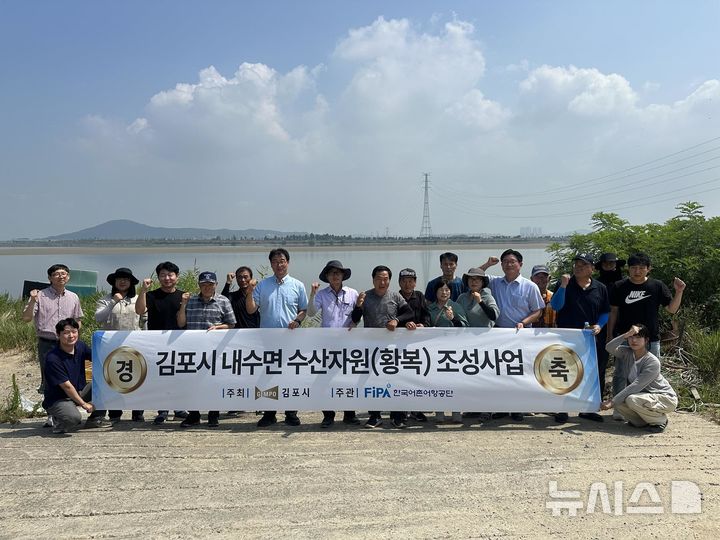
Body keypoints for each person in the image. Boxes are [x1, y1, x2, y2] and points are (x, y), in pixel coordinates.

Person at [607, 252, 686, 417]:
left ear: (648, 269)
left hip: (651, 339)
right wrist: (610, 334)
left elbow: (671, 309)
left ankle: (645, 407)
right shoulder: (619, 286)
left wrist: (679, 292)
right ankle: (619, 408)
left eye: (641, 268)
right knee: (621, 373)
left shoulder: (657, 286)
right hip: (626, 338)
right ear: (628, 269)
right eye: (634, 267)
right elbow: (613, 312)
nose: (637, 271)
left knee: (649, 375)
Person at [246, 248, 308, 428]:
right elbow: (251, 309)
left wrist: (297, 320)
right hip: (268, 339)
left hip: (290, 338)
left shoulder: (297, 285)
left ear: (288, 262)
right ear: (271, 264)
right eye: (275, 261)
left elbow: (303, 310)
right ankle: (269, 413)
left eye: (282, 261)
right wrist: (250, 291)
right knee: (268, 375)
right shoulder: (263, 285)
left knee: (290, 374)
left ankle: (291, 412)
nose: (279, 264)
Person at [482, 249, 544, 421]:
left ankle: (518, 408)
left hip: (521, 334)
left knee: (520, 372)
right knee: (501, 372)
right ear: (501, 265)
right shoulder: (495, 282)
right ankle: (502, 407)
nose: (509, 264)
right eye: (505, 262)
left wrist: (524, 322)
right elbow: (476, 275)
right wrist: (488, 264)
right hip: (499, 334)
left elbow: (538, 311)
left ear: (520, 264)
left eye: (512, 261)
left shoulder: (529, 286)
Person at [351, 265, 415, 428]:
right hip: (371, 346)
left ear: (389, 280)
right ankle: (375, 416)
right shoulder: (366, 296)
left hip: (392, 347)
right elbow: (356, 319)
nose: (382, 282)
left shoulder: (395, 296)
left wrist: (397, 320)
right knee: (372, 381)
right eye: (379, 278)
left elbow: (409, 313)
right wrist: (358, 306)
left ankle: (397, 416)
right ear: (373, 279)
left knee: (395, 379)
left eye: (385, 279)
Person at [550, 254, 610, 423]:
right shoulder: (564, 285)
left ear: (592, 268)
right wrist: (562, 286)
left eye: (583, 265)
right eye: (576, 264)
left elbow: (605, 311)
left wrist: (599, 325)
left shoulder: (600, 288)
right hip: (567, 337)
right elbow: (555, 306)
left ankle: (588, 409)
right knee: (564, 373)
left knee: (593, 373)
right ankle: (561, 409)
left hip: (591, 338)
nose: (578, 267)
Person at [177, 271, 236, 428]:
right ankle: (194, 415)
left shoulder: (223, 301)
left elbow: (231, 324)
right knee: (192, 383)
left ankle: (213, 415)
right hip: (192, 350)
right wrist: (183, 304)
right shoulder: (190, 300)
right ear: (199, 285)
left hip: (215, 351)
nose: (207, 287)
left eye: (210, 284)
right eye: (204, 284)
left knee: (214, 382)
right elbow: (181, 323)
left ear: (216, 285)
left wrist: (218, 327)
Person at [135, 261, 189, 425]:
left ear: (177, 277)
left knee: (179, 376)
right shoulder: (152, 295)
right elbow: (139, 310)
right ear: (158, 277)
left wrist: (185, 303)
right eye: (163, 275)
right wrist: (143, 290)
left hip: (179, 342)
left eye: (170, 275)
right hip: (157, 343)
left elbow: (183, 322)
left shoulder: (184, 296)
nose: (167, 278)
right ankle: (162, 410)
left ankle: (179, 408)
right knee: (161, 376)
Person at [308, 260, 360, 428]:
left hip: (348, 344)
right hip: (327, 345)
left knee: (348, 379)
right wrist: (312, 294)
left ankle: (349, 414)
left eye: (338, 272)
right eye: (332, 273)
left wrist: (355, 323)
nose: (335, 275)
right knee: (325, 379)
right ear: (327, 277)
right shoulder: (321, 294)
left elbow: (358, 315)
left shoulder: (353, 293)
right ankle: (328, 415)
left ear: (343, 275)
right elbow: (310, 313)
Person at [600, 324, 678, 432]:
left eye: (638, 337)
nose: (634, 340)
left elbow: (636, 385)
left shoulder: (652, 362)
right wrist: (626, 335)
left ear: (646, 340)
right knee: (619, 403)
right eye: (631, 337)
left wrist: (612, 402)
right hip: (644, 397)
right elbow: (609, 347)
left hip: (665, 398)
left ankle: (660, 421)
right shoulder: (627, 352)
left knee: (629, 399)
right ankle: (641, 422)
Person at [22, 264, 83, 396]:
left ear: (68, 277)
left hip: (68, 343)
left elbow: (78, 320)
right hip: (47, 343)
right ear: (50, 278)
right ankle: (51, 412)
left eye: (64, 273)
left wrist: (75, 337)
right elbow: (26, 318)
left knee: (68, 375)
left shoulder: (73, 297)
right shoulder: (40, 296)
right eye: (56, 274)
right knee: (49, 378)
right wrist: (32, 301)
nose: (61, 276)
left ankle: (66, 407)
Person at [94, 267, 145, 423]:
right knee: (113, 378)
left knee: (138, 377)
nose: (122, 282)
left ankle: (138, 412)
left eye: (126, 279)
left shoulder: (138, 298)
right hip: (111, 346)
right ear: (114, 282)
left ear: (131, 282)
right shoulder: (105, 299)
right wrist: (113, 302)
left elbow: (144, 320)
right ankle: (115, 413)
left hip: (135, 345)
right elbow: (98, 318)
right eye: (119, 279)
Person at [42, 318, 104, 434]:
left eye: (74, 332)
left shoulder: (80, 346)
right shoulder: (53, 358)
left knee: (104, 384)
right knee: (74, 419)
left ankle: (95, 419)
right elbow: (67, 387)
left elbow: (97, 358)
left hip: (78, 391)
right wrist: (84, 404)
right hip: (58, 399)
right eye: (66, 333)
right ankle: (59, 420)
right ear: (58, 335)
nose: (71, 336)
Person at [428, 281, 468, 425]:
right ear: (435, 292)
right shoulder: (430, 308)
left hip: (454, 350)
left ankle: (457, 412)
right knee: (438, 382)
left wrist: (453, 319)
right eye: (441, 289)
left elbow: (465, 327)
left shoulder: (456, 307)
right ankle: (439, 412)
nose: (444, 292)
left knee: (454, 381)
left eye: (447, 290)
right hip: (436, 350)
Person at [397, 268, 431, 423]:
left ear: (415, 282)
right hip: (399, 344)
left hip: (418, 344)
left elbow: (427, 315)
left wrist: (424, 325)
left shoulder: (420, 296)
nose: (407, 284)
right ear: (399, 282)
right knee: (401, 377)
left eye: (411, 281)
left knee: (417, 377)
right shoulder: (394, 297)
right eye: (404, 281)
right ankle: (402, 411)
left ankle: (417, 410)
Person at [593, 253, 625, 399]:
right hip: (602, 328)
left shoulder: (626, 284)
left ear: (616, 265)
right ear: (601, 266)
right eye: (606, 264)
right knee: (600, 365)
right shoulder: (597, 285)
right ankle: (597, 397)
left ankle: (623, 399)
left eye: (612, 264)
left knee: (625, 366)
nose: (609, 267)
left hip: (624, 328)